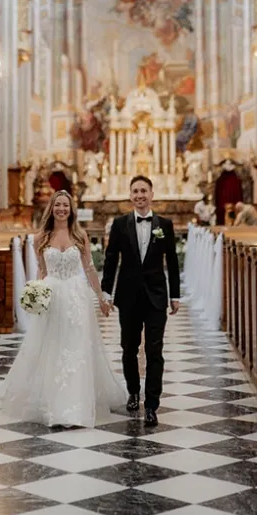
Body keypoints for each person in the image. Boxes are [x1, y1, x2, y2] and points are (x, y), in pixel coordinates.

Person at [0, 190, 125, 428]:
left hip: (76, 298)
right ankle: (51, 401)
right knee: (52, 345)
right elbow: (41, 269)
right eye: (57, 205)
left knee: (76, 347)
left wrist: (100, 297)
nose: (61, 209)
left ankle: (75, 404)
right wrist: (36, 293)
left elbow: (89, 268)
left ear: (71, 209)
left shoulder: (79, 235)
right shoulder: (41, 237)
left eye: (65, 205)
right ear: (52, 208)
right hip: (53, 296)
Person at [101, 175, 180, 428]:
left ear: (152, 194)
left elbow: (173, 262)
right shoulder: (119, 224)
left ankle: (152, 405)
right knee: (129, 348)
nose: (140, 195)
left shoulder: (165, 224)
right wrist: (106, 293)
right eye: (135, 191)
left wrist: (175, 295)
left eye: (144, 191)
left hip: (156, 296)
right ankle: (133, 392)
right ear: (130, 195)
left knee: (155, 351)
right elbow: (111, 259)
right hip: (129, 296)